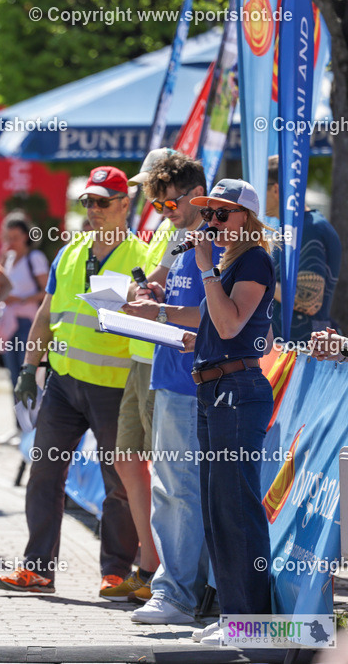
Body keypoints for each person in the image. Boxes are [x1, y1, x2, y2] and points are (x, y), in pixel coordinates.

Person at [0, 166, 148, 594]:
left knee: (118, 482)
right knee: (44, 473)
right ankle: (37, 568)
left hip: (114, 387)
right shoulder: (69, 251)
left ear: (125, 204)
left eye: (103, 202)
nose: (94, 209)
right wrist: (29, 368)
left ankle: (117, 571)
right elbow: (46, 315)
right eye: (88, 201)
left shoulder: (143, 257)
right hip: (62, 383)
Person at [121, 153, 217, 624]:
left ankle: (179, 593)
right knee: (173, 489)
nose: (164, 213)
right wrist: (146, 295)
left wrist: (156, 312)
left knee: (181, 490)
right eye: (157, 206)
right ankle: (185, 591)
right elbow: (160, 284)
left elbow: (215, 317)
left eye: (170, 204)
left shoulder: (219, 239)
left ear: (198, 193)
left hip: (198, 378)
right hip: (171, 374)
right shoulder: (181, 235)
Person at [183, 179, 274, 644]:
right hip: (218, 387)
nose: (212, 223)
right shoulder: (229, 262)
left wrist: (204, 271)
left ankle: (249, 620)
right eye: (208, 214)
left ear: (247, 220)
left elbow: (231, 320)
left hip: (236, 391)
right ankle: (236, 612)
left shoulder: (253, 258)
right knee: (218, 507)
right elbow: (236, 329)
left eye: (222, 214)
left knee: (235, 507)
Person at [100, 150, 184, 603]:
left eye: (152, 187)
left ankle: (166, 574)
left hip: (162, 361)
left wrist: (130, 291)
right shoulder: (165, 228)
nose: (147, 196)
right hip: (140, 355)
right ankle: (148, 565)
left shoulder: (183, 229)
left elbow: (154, 285)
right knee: (127, 461)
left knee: (164, 472)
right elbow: (149, 284)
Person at [264, 155, 341, 342]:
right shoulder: (293, 228)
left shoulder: (309, 228)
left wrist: (258, 279)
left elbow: (310, 301)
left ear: (276, 189)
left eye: (260, 187)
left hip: (303, 353)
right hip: (291, 350)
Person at [0, 214, 49, 386]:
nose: (11, 242)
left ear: (26, 236)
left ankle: (31, 413)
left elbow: (48, 291)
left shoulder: (35, 258)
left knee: (28, 377)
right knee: (14, 378)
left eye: (15, 238)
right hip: (8, 323)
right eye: (8, 238)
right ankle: (19, 414)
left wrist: (21, 299)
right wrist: (1, 259)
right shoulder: (8, 259)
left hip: (28, 324)